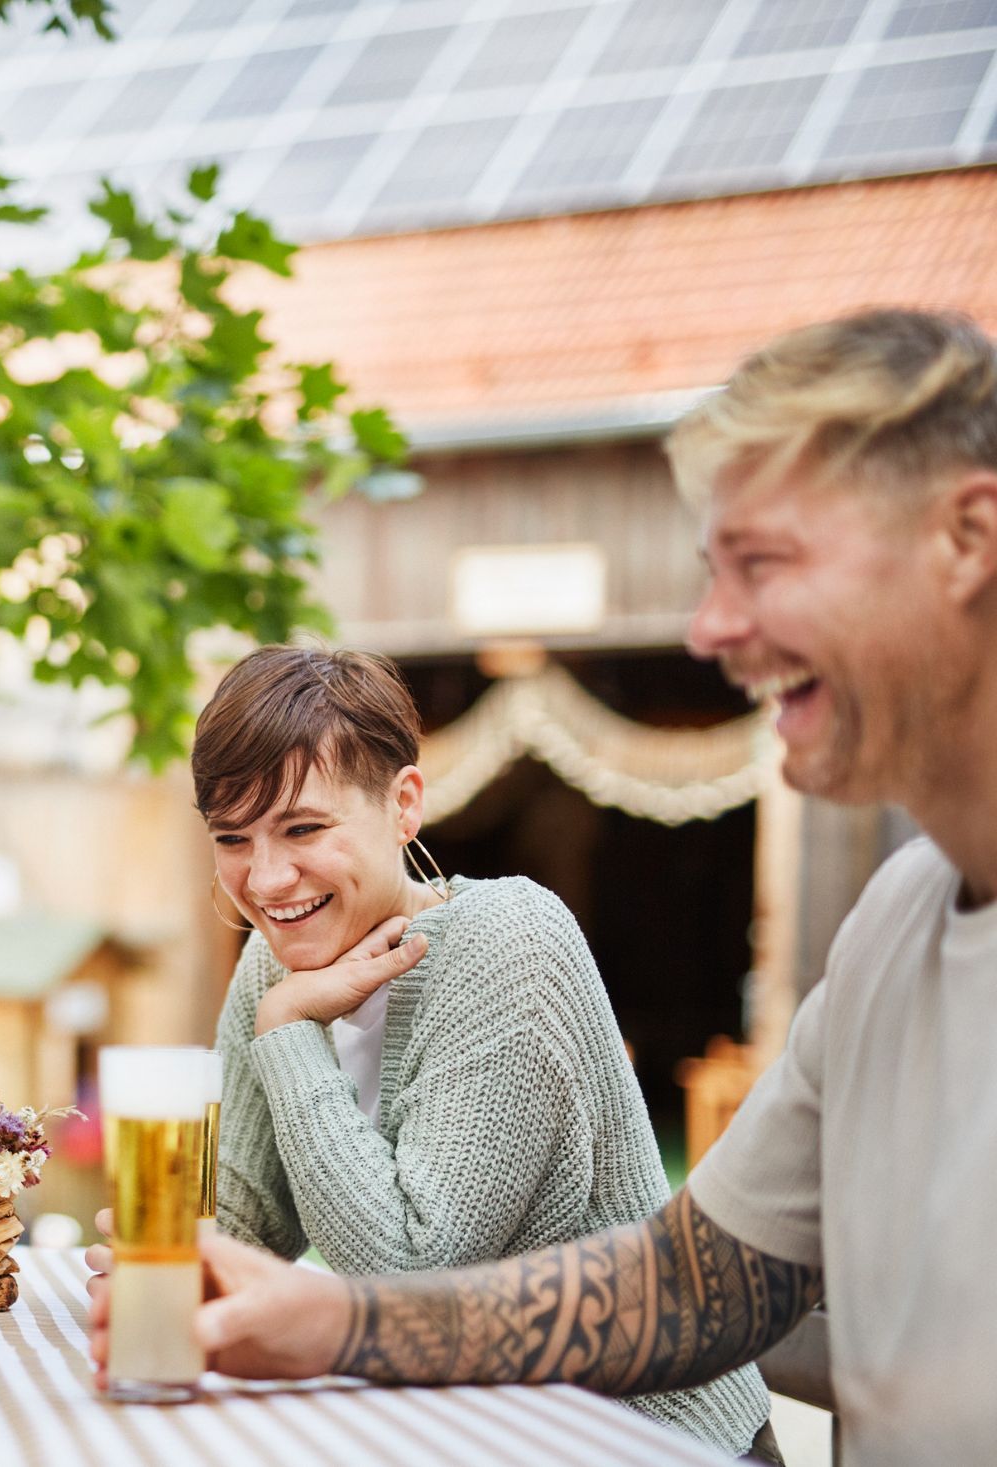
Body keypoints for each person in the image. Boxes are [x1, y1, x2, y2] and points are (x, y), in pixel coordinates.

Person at [91, 309, 997, 1464]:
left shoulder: (505, 936)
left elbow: (427, 1262)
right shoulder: (897, 930)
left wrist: (338, 1283)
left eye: (763, 564)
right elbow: (688, 1284)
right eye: (713, 572)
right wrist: (321, 1315)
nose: (710, 630)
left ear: (966, 539)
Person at [94, 645, 770, 1455]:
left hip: (644, 1434)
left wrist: (286, 1033)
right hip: (474, 1431)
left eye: (303, 827)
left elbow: (406, 1277)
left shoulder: (509, 944)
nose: (267, 879)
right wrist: (171, 1257)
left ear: (404, 803)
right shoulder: (274, 964)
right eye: (232, 838)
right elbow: (240, 1228)